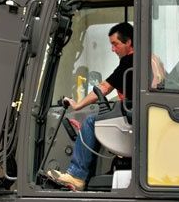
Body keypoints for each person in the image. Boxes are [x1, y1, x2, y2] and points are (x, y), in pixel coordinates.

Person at [45, 22, 135, 191]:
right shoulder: (143, 60)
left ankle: (77, 175)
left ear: (128, 42)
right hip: (132, 113)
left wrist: (78, 106)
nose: (112, 49)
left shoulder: (128, 63)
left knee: (91, 122)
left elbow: (103, 88)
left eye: (115, 44)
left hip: (130, 118)